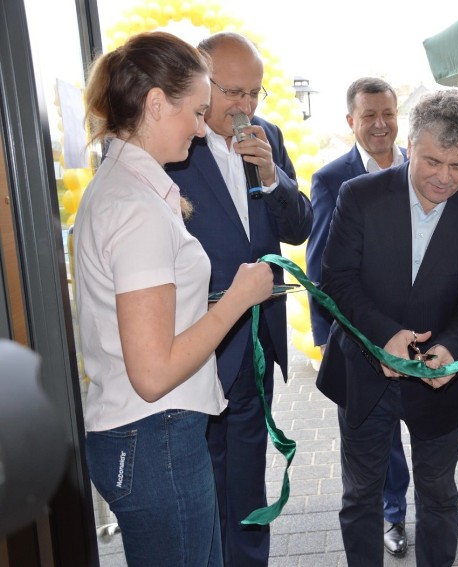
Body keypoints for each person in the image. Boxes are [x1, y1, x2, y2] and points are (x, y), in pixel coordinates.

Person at [75, 31, 273, 566]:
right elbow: (154, 372)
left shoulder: (128, 187)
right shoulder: (135, 205)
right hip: (155, 434)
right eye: (196, 111)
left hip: (150, 434)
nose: (202, 128)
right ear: (156, 103)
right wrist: (237, 299)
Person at [316, 89, 458, 567]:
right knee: (361, 494)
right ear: (411, 144)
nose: (444, 178)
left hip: (440, 383)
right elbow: (335, 279)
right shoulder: (358, 196)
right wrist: (384, 336)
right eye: (433, 161)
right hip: (364, 372)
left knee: (439, 497)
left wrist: (451, 350)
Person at [166, 31, 313, 567]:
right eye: (234, 93)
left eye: (256, 92)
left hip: (256, 343)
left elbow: (299, 228)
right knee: (202, 487)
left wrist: (274, 177)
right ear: (201, 83)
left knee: (248, 487)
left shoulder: (268, 135)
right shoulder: (175, 140)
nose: (246, 106)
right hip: (195, 347)